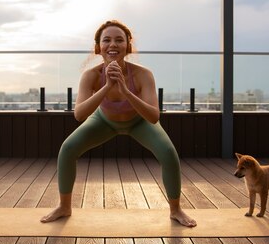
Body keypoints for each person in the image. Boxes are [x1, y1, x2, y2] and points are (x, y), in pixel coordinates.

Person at [41, 20, 196, 227]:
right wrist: (106, 87)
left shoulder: (143, 75)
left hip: (139, 121)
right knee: (68, 149)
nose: (112, 44)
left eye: (119, 40)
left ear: (128, 47)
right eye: (107, 40)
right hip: (104, 121)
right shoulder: (90, 76)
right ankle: (64, 206)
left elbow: (153, 116)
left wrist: (125, 90)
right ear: (98, 48)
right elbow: (79, 114)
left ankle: (176, 210)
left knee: (168, 154)